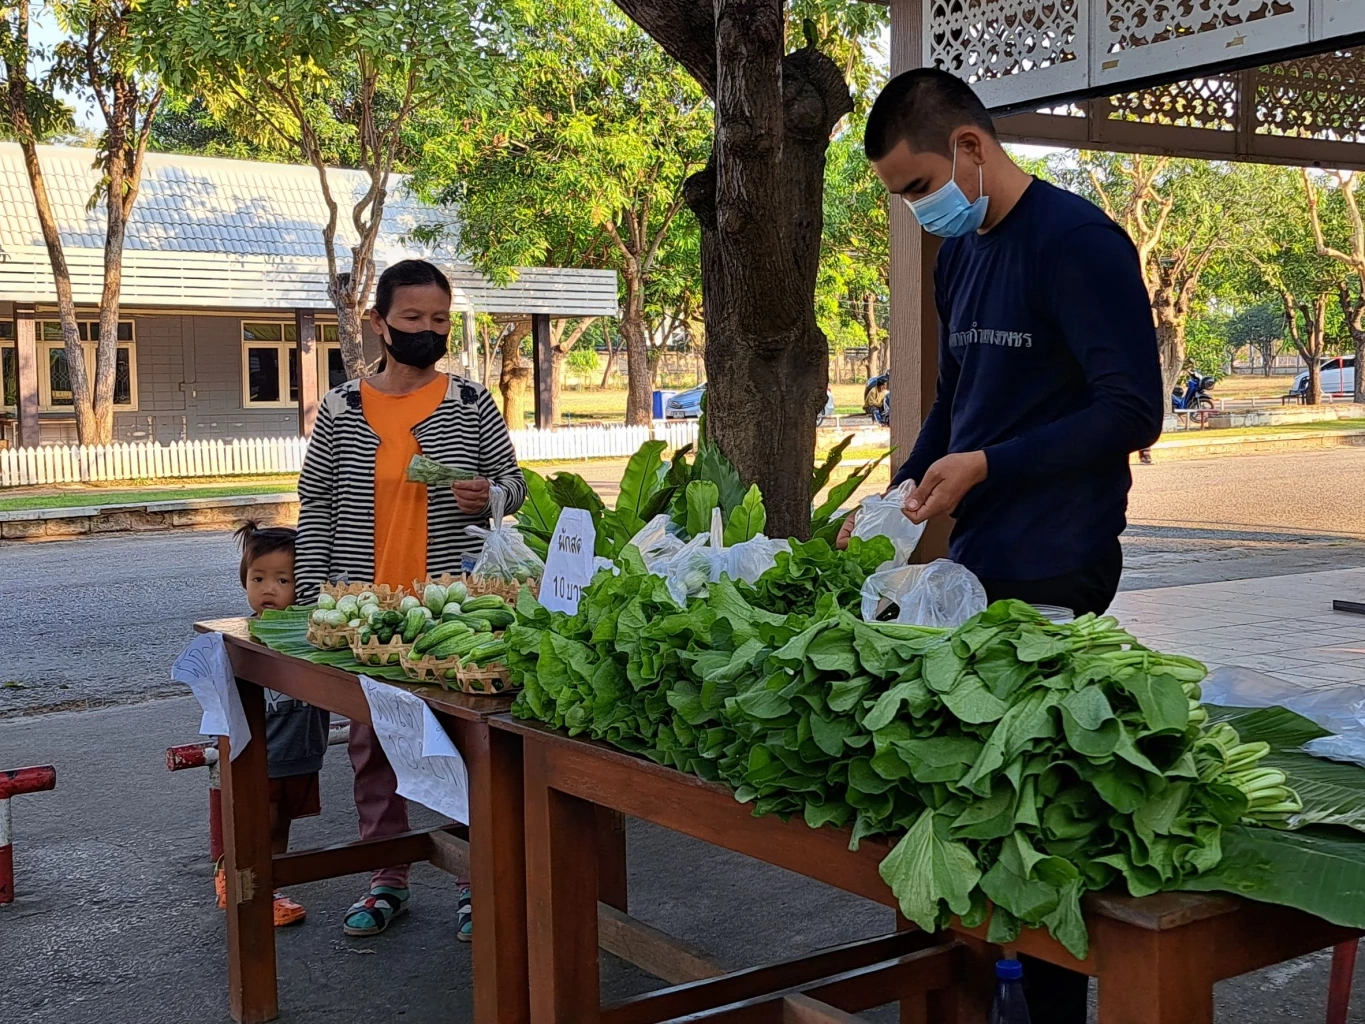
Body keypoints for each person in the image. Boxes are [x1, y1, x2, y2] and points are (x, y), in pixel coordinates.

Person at [844, 69, 1165, 1023]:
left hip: (1062, 556)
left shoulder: (1078, 243)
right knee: (964, 793)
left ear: (970, 148)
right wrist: (901, 490)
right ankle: (983, 988)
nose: (916, 210)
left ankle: (1051, 1004)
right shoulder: (960, 257)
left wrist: (991, 463)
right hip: (977, 559)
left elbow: (1131, 410)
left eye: (917, 186)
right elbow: (957, 401)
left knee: (1034, 809)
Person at [294, 258, 526, 942]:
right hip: (364, 612)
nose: (428, 330)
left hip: (448, 608)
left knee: (461, 745)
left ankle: (474, 878)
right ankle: (386, 873)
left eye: (439, 320)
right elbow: (317, 502)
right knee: (371, 745)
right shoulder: (341, 408)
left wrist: (491, 495)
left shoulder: (470, 402)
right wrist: (310, 597)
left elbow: (514, 482)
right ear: (378, 322)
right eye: (412, 318)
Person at [217, 521, 330, 927]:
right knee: (257, 822)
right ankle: (242, 882)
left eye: (283, 580)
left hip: (301, 749)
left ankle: (270, 884)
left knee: (281, 823)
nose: (269, 589)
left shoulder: (316, 631)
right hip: (260, 754)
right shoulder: (243, 637)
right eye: (258, 578)